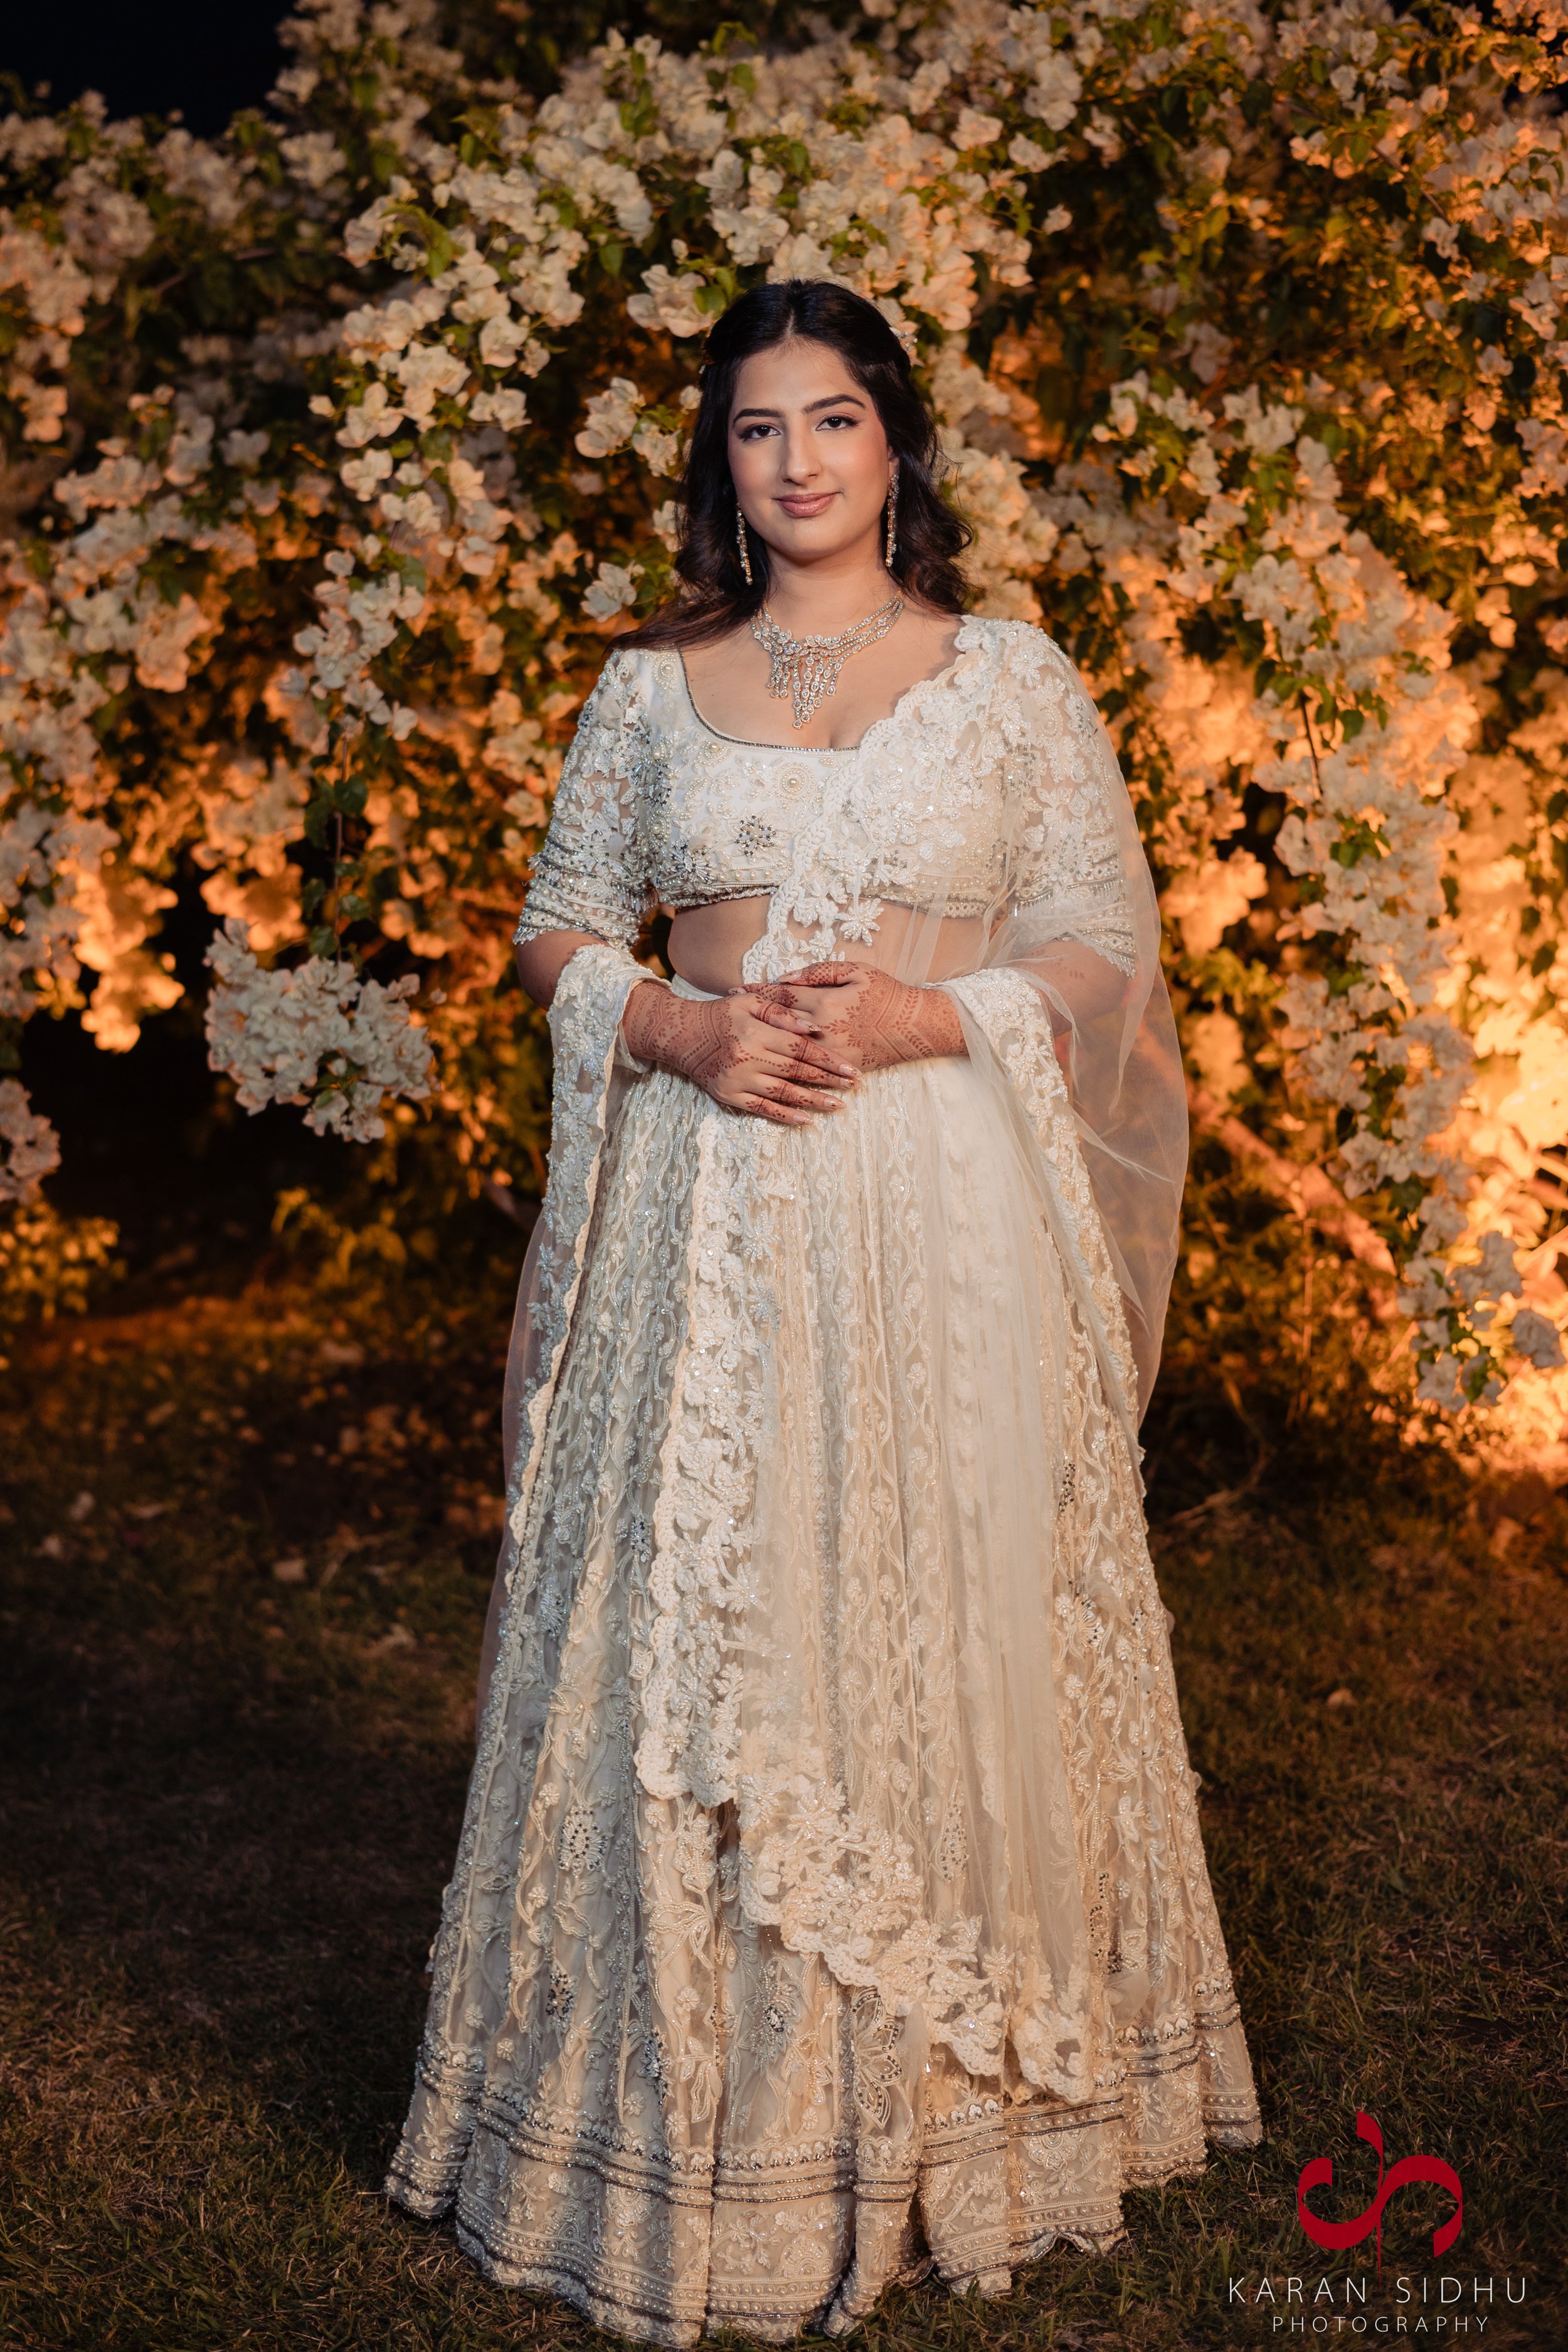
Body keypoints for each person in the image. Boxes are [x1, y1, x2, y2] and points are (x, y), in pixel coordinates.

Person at [386, 278, 1262, 2343]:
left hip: (928, 1208)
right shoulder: (644, 689)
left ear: (896, 445)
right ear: (725, 461)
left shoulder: (1010, 682)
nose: (793, 461)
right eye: (756, 428)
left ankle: (957, 2107)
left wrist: (915, 1016)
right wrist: (677, 1029)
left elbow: (1096, 958)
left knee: (923, 1592)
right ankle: (684, 2121)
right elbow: (549, 935)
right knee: (699, 1608)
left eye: (832, 420)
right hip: (705, 1217)